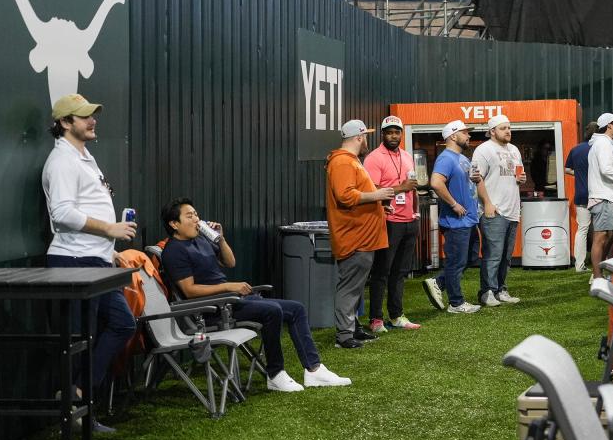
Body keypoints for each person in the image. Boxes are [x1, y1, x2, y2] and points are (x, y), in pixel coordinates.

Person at [160, 199, 350, 391]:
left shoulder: (201, 239)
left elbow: (230, 262)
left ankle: (314, 370)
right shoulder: (174, 251)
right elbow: (190, 290)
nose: (196, 219)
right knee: (272, 311)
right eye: (189, 216)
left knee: (296, 308)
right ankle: (275, 374)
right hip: (211, 310)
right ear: (174, 224)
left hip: (231, 301)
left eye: (196, 214)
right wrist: (228, 287)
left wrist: (220, 238)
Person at [42, 94, 138, 434]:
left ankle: (78, 395)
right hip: (74, 261)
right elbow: (63, 213)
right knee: (83, 337)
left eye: (92, 115)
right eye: (84, 117)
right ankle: (74, 413)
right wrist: (109, 230)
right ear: (65, 123)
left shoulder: (84, 157)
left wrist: (107, 246)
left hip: (95, 259)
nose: (92, 120)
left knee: (122, 324)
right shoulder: (61, 162)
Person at [325, 119, 394, 348]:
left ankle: (352, 328)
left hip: (362, 236)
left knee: (355, 287)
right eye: (365, 136)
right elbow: (345, 196)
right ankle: (344, 336)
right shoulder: (343, 162)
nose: (367, 141)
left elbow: (355, 195)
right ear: (359, 137)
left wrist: (379, 204)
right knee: (349, 288)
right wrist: (377, 196)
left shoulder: (350, 161)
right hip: (354, 237)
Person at [362, 115, 421, 332]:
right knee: (382, 271)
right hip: (387, 220)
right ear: (383, 134)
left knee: (400, 271)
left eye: (397, 132)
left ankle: (396, 315)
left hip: (408, 220)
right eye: (389, 132)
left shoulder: (406, 156)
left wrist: (416, 212)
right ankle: (376, 319)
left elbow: (412, 186)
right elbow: (372, 190)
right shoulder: (374, 158)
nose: (393, 136)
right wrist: (401, 188)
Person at [423, 120, 482, 314]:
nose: (469, 136)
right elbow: (436, 182)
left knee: (469, 258)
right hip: (456, 221)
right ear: (453, 136)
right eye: (465, 133)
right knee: (456, 262)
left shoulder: (462, 158)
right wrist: (454, 204)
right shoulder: (446, 158)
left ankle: (438, 283)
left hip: (469, 219)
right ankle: (456, 303)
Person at [472, 114, 525, 307]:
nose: (508, 131)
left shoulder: (514, 149)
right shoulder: (483, 150)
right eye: (503, 128)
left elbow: (519, 174)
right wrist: (487, 203)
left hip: (512, 209)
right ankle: (487, 292)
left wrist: (521, 179)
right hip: (494, 209)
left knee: (506, 255)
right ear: (492, 131)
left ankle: (500, 289)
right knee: (493, 254)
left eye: (509, 128)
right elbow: (477, 178)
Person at [587, 113, 613, 296]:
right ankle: (597, 278)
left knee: (609, 234)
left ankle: (598, 274)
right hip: (602, 196)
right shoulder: (603, 144)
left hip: (606, 196)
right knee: (601, 237)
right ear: (609, 125)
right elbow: (607, 170)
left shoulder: (601, 143)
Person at [564, 121, 597, 272]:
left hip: (581, 194)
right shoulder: (599, 148)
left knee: (582, 229)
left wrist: (579, 174)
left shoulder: (576, 149)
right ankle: (600, 264)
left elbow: (567, 169)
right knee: (601, 231)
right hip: (598, 195)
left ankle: (579, 265)